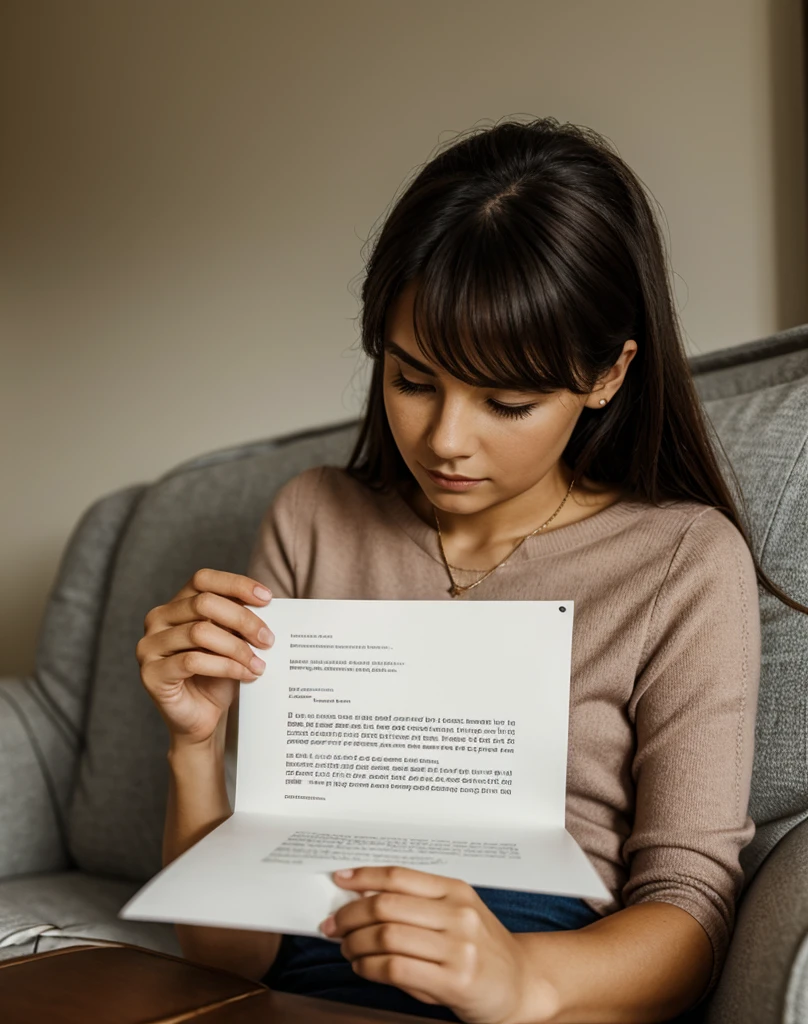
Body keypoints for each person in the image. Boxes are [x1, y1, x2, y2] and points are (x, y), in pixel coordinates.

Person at [135, 118, 808, 1023]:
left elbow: (689, 914)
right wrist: (193, 746)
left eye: (508, 401)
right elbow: (231, 955)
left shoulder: (680, 560)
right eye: (413, 381)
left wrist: (520, 981)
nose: (446, 441)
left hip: (545, 980)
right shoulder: (313, 519)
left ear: (608, 375)